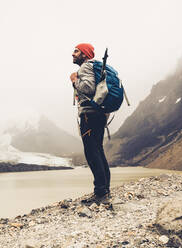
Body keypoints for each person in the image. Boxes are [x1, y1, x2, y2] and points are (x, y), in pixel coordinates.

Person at [70, 43, 111, 203]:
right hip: (99, 114)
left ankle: (101, 193)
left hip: (89, 114)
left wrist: (74, 80)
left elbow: (87, 87)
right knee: (98, 150)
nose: (73, 54)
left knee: (92, 152)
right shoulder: (94, 67)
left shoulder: (85, 67)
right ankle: (105, 190)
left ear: (85, 54)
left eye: (76, 51)